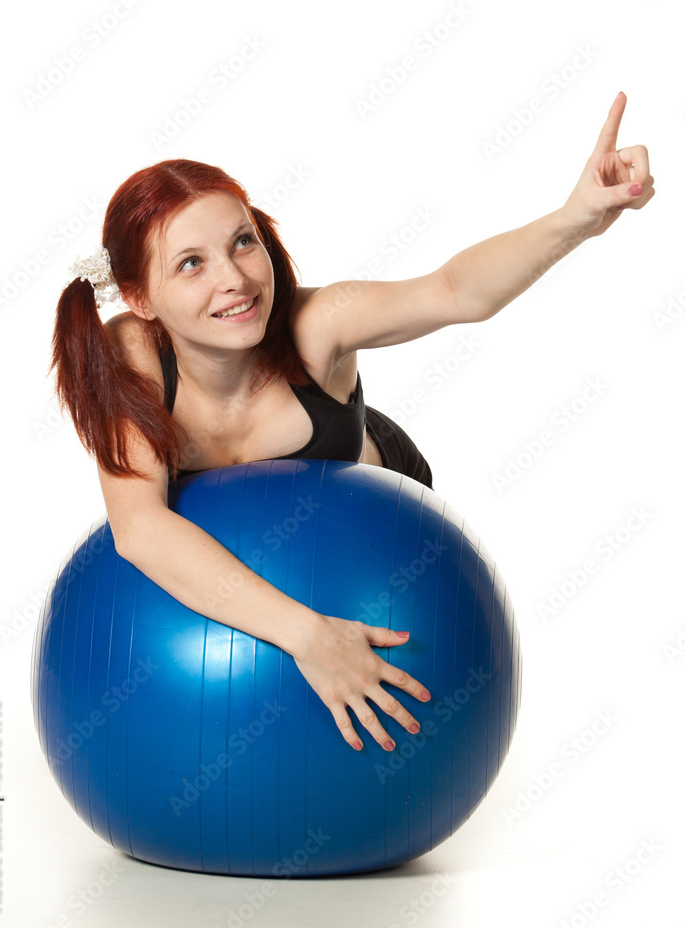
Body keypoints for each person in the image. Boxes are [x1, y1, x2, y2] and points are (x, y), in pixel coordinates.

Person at [50, 91, 653, 754]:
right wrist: (309, 637)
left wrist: (576, 219)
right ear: (139, 297)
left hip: (368, 496)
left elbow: (453, 291)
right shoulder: (129, 358)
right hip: (264, 562)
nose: (235, 280)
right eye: (191, 263)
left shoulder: (318, 326)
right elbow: (140, 530)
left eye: (243, 243)